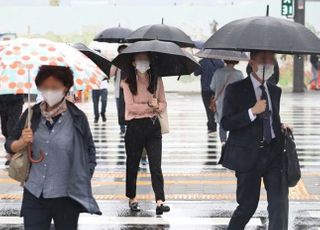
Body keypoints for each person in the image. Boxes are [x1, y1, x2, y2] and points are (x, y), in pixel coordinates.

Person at [5, 65, 101, 230]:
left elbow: (90, 152)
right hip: (34, 193)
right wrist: (21, 142)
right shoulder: (31, 115)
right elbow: (9, 144)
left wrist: (83, 176)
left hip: (67, 196)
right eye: (45, 87)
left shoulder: (77, 118)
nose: (49, 91)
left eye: (55, 87)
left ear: (66, 88)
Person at [221, 51, 288, 229]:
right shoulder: (235, 90)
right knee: (247, 207)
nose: (269, 63)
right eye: (263, 60)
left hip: (273, 154)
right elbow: (226, 122)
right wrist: (252, 112)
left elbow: (273, 118)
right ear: (252, 63)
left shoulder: (275, 90)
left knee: (279, 205)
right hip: (248, 156)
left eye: (271, 59)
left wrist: (280, 126)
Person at [121, 52, 170, 215]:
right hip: (135, 127)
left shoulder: (156, 80)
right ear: (133, 63)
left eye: (145, 59)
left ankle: (160, 201)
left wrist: (158, 106)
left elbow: (163, 103)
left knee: (156, 165)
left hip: (153, 126)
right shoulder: (127, 82)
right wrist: (151, 106)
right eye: (139, 59)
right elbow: (130, 107)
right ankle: (132, 198)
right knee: (132, 164)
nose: (143, 62)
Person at [210, 60, 243, 143]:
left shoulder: (217, 72)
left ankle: (223, 143)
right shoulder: (239, 74)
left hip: (220, 103)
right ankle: (232, 143)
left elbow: (212, 87)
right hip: (235, 104)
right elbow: (242, 89)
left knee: (222, 125)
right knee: (234, 123)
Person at [194, 58, 224, 136]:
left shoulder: (202, 62)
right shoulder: (220, 62)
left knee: (209, 109)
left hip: (206, 90)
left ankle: (212, 126)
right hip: (217, 90)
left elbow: (196, 73)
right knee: (218, 108)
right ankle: (218, 124)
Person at [0, 94, 24, 166]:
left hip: (15, 100)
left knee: (12, 128)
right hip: (2, 100)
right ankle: (10, 151)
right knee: (4, 130)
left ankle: (12, 155)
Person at [110, 45, 128, 134]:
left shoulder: (131, 61)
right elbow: (111, 73)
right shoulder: (117, 62)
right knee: (121, 109)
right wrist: (116, 64)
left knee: (128, 108)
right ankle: (122, 127)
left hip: (130, 90)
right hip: (119, 90)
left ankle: (128, 127)